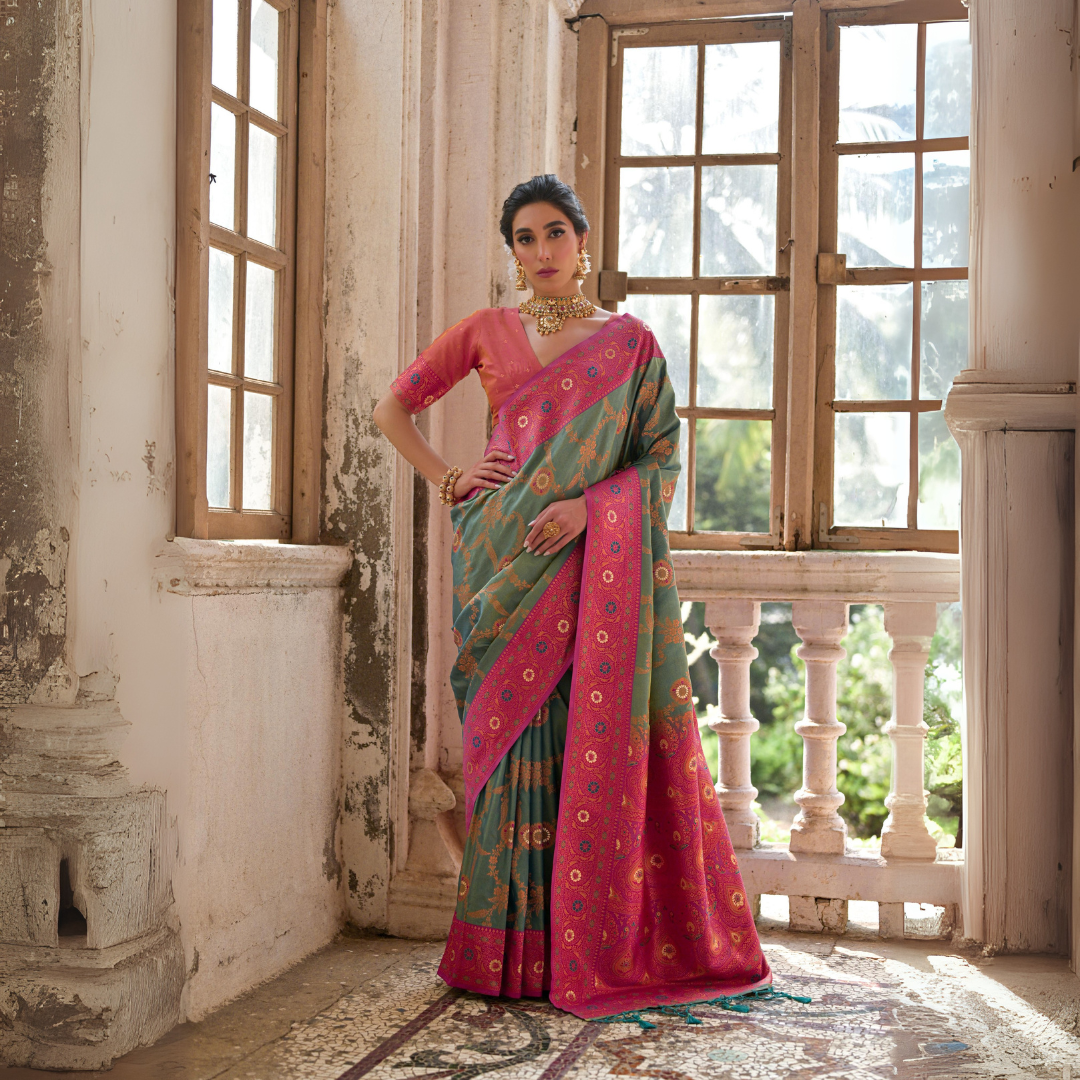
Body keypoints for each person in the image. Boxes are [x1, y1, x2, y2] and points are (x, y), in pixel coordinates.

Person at [372, 174, 771, 1021]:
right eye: (525, 237)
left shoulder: (629, 344)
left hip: (589, 564)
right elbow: (391, 409)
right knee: (509, 741)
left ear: (582, 241)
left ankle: (575, 946)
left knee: (579, 740)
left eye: (555, 232)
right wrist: (450, 478)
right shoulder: (485, 330)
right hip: (500, 558)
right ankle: (503, 956)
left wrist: (591, 509)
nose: (542, 250)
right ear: (513, 251)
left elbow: (660, 458)